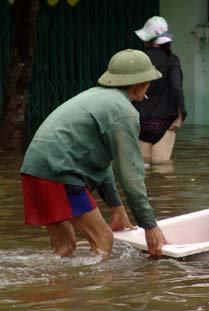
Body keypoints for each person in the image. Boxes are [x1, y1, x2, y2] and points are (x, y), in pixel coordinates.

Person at [20, 49, 168, 259]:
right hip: (60, 173)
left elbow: (103, 165)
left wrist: (117, 208)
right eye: (148, 80)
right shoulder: (124, 112)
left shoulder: (95, 96)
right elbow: (131, 177)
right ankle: (96, 289)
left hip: (33, 170)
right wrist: (149, 226)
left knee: (64, 250)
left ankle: (49, 287)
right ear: (137, 84)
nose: (150, 85)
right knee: (103, 240)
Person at [134, 16, 186, 165]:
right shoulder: (172, 60)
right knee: (162, 167)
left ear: (146, 39)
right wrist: (181, 114)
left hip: (140, 121)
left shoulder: (139, 59)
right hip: (165, 121)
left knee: (143, 168)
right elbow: (177, 87)